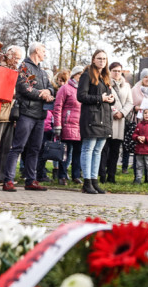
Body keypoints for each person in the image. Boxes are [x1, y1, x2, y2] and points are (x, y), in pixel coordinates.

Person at [0, 43, 55, 192]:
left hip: (40, 115)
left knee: (35, 149)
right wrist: (41, 94)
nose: (45, 53)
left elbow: (50, 87)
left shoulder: (43, 72)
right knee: (18, 147)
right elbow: (24, 87)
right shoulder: (24, 67)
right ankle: (8, 180)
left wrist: (48, 92)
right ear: (36, 51)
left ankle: (31, 180)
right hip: (26, 113)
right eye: (44, 51)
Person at [77, 49, 116, 194]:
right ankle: (87, 182)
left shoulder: (105, 77)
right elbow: (81, 96)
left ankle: (94, 180)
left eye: (104, 59)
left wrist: (112, 100)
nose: (102, 61)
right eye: (99, 58)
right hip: (91, 118)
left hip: (104, 118)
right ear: (93, 59)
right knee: (88, 149)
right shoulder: (87, 75)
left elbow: (109, 97)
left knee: (98, 150)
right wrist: (101, 98)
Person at [0, 45, 23, 184]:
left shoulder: (17, 72)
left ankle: (0, 176)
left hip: (10, 113)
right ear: (9, 55)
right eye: (16, 58)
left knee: (6, 146)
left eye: (19, 59)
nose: (17, 61)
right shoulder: (1, 68)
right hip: (0, 111)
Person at [102, 62, 133, 184]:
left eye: (119, 71)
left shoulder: (126, 86)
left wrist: (122, 113)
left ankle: (112, 175)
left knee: (115, 150)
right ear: (110, 71)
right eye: (114, 70)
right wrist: (113, 111)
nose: (116, 73)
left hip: (120, 120)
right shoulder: (105, 82)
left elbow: (130, 102)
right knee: (105, 149)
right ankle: (102, 174)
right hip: (108, 119)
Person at [52, 66, 83, 185]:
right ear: (74, 75)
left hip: (80, 126)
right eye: (79, 74)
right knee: (65, 152)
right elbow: (58, 107)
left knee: (78, 152)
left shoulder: (83, 90)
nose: (81, 77)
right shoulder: (65, 88)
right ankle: (62, 175)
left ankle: (76, 175)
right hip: (67, 124)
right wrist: (58, 125)